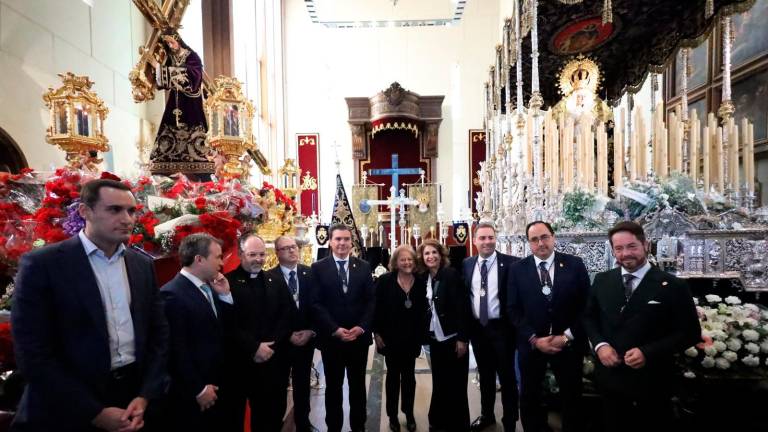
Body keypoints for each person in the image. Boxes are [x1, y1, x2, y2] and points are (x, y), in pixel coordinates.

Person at [11, 179, 168, 432]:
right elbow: (32, 352)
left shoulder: (141, 264)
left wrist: (145, 394)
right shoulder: (43, 264)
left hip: (132, 399)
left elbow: (158, 334)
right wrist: (92, 412)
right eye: (114, 209)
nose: (127, 219)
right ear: (85, 211)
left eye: (131, 211)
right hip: (68, 406)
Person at [583, 221, 701, 432]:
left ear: (645, 245)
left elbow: (689, 333)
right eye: (619, 248)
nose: (625, 253)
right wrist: (600, 346)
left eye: (632, 246)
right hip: (611, 378)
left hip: (653, 380)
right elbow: (588, 318)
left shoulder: (673, 285)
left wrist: (647, 352)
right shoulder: (602, 280)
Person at [507, 221, 590, 432]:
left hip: (568, 345)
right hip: (532, 346)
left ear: (553, 237)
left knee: (572, 395)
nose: (540, 243)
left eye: (544, 237)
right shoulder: (517, 269)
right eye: (534, 239)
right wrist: (535, 339)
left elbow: (586, 306)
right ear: (529, 243)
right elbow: (513, 309)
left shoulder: (575, 264)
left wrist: (567, 336)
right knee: (530, 396)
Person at [161, 233, 235, 431]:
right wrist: (198, 389)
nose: (221, 263)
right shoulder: (172, 294)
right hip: (193, 394)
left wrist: (225, 295)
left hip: (216, 384)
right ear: (199, 259)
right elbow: (176, 350)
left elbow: (221, 330)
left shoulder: (209, 287)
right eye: (218, 257)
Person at [226, 234, 294, 432]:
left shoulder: (275, 280)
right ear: (240, 254)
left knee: (271, 416)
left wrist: (270, 346)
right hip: (241, 364)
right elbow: (228, 323)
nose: (258, 259)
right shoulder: (227, 283)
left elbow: (286, 315)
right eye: (252, 254)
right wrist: (254, 347)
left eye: (262, 254)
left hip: (273, 362)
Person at [311, 224, 375, 432]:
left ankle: (358, 427)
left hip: (358, 340)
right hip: (332, 340)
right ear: (330, 241)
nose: (342, 243)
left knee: (357, 387)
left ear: (351, 242)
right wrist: (334, 329)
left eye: (346, 239)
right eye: (338, 239)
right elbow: (316, 303)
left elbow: (371, 301)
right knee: (333, 388)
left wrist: (362, 327)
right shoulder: (318, 268)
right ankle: (334, 427)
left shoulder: (364, 266)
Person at [461, 222, 519, 431]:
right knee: (485, 376)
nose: (487, 242)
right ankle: (487, 415)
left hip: (502, 329)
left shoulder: (512, 263)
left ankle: (510, 421)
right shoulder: (467, 264)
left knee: (507, 377)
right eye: (482, 238)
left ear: (496, 238)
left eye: (490, 237)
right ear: (474, 240)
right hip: (478, 330)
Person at [373, 245, 428, 432]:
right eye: (403, 259)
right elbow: (376, 308)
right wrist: (376, 333)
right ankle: (392, 415)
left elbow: (424, 311)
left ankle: (409, 412)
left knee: (409, 378)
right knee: (393, 378)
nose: (407, 262)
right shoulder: (384, 281)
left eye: (410, 259)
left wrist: (422, 336)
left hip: (411, 339)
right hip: (390, 338)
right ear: (395, 262)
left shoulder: (420, 282)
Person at [418, 239, 470, 432]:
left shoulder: (450, 274)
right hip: (436, 340)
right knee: (440, 382)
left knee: (457, 384)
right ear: (422, 258)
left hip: (453, 338)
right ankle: (438, 421)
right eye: (427, 253)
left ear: (441, 256)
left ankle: (458, 424)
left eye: (434, 252)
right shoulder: (424, 278)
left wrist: (463, 338)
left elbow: (463, 307)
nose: (431, 256)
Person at [148, 32, 213, 179]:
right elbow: (162, 81)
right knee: (168, 130)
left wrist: (158, 67)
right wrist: (156, 70)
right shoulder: (171, 58)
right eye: (168, 44)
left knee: (194, 132)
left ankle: (196, 158)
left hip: (190, 102)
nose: (171, 46)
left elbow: (194, 76)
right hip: (175, 100)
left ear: (178, 40)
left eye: (172, 42)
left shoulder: (192, 56)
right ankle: (167, 158)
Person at [271, 235, 319, 432]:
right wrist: (287, 334)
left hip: (306, 341)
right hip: (282, 343)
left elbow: (318, 305)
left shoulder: (310, 273)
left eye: (293, 246)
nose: (292, 250)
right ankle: (277, 424)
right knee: (278, 387)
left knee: (303, 385)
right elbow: (270, 313)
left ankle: (303, 423)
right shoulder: (269, 277)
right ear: (277, 253)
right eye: (286, 248)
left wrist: (311, 330)